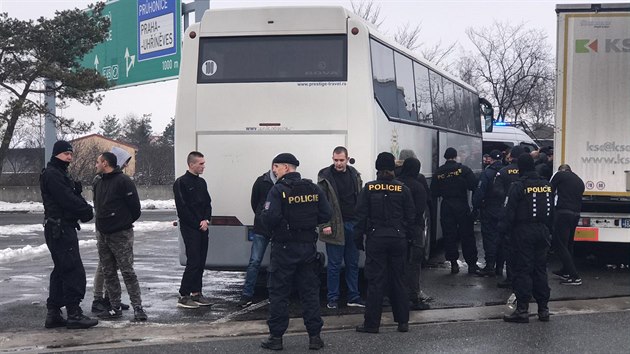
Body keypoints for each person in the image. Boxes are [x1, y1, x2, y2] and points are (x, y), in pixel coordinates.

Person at [261, 153, 332, 351]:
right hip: (307, 248)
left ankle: (276, 338)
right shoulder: (313, 189)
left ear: (286, 168)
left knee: (279, 293)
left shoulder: (278, 190)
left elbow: (269, 217)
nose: (274, 171)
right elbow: (326, 214)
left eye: (276, 167)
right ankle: (315, 338)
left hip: (284, 249)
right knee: (309, 293)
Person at [40, 140, 98, 329]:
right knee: (72, 269)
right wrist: (85, 210)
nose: (69, 158)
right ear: (57, 154)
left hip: (59, 227)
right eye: (66, 154)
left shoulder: (58, 173)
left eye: (71, 155)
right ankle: (74, 313)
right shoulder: (53, 174)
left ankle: (54, 312)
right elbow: (66, 198)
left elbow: (69, 195)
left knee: (61, 269)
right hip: (60, 228)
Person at [355, 152, 415, 334]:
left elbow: (360, 216)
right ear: (393, 169)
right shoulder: (403, 189)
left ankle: (372, 324)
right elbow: (411, 216)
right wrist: (407, 236)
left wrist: (358, 238)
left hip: (376, 238)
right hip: (398, 238)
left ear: (377, 168)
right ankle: (403, 322)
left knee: (376, 281)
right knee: (399, 280)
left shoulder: (369, 188)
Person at [93, 152, 147, 321]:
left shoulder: (124, 181)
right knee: (108, 272)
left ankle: (138, 307)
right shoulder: (98, 182)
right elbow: (98, 206)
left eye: (98, 162)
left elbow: (135, 209)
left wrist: (121, 223)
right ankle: (114, 306)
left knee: (127, 271)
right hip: (103, 235)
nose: (95, 165)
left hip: (120, 234)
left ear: (105, 163)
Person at [501, 153, 553, 323]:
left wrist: (503, 232)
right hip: (543, 231)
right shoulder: (546, 185)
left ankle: (522, 310)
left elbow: (509, 212)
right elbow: (551, 210)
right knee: (540, 269)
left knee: (523, 269)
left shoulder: (518, 186)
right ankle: (543, 309)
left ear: (520, 167)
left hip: (523, 231)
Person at [317, 146, 364, 309]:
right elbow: (321, 203)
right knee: (334, 265)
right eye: (335, 160)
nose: (338, 163)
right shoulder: (325, 177)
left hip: (352, 223)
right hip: (335, 226)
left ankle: (353, 296)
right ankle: (333, 298)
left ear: (347, 159)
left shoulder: (355, 175)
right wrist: (325, 224)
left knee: (352, 263)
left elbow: (360, 198)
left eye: (341, 160)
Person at [91, 146, 132, 314]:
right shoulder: (100, 180)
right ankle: (98, 298)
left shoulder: (121, 179)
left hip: (117, 227)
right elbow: (100, 205)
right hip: (105, 228)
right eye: (125, 162)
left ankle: (111, 298)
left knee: (113, 265)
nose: (126, 166)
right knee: (104, 265)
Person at [173, 151, 213, 309]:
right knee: (193, 261)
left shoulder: (202, 183)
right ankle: (184, 295)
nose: (203, 166)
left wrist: (206, 219)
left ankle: (197, 293)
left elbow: (207, 203)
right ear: (191, 164)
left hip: (203, 227)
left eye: (204, 163)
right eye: (201, 163)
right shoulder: (181, 183)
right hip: (190, 228)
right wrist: (197, 223)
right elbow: (182, 209)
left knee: (201, 260)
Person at [430, 147, 479, 274]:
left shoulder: (438, 172)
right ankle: (472, 265)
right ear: (456, 156)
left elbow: (434, 192)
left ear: (445, 157)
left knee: (449, 235)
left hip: (446, 205)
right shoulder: (463, 170)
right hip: (461, 204)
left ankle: (453, 264)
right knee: (467, 234)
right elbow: (474, 185)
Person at [239, 165, 277, 308]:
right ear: (273, 167)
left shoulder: (283, 183)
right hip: (262, 228)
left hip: (277, 228)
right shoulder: (261, 181)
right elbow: (255, 203)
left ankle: (273, 294)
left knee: (275, 263)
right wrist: (262, 216)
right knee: (255, 262)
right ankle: (247, 294)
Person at [396, 157, 430, 311]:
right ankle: (413, 297)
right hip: (415, 231)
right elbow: (420, 210)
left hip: (398, 230)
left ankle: (395, 295)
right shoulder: (418, 186)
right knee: (414, 265)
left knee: (397, 264)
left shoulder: (396, 184)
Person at [494, 146, 525, 288]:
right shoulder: (527, 172)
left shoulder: (503, 172)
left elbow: (497, 192)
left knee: (505, 245)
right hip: (524, 214)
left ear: (511, 156)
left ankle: (506, 273)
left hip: (506, 212)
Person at [550, 164, 585, 286]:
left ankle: (574, 276)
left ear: (561, 170)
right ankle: (566, 270)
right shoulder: (579, 180)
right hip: (575, 214)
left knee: (560, 244)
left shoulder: (560, 175)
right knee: (569, 243)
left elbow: (549, 191)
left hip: (563, 213)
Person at [472, 150, 504, 277]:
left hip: (489, 209)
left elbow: (480, 191)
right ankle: (500, 267)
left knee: (489, 238)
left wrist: (475, 206)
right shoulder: (505, 172)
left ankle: (490, 265)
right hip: (503, 210)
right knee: (501, 238)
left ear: (490, 159)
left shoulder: (487, 173)